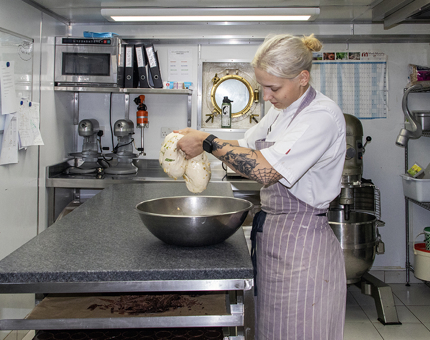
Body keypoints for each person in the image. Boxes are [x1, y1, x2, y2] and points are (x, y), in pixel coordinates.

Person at [176, 33, 347, 340]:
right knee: (269, 329)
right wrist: (200, 140)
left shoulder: (321, 116)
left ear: (303, 78)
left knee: (299, 331)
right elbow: (245, 145)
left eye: (273, 87)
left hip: (303, 246)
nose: (266, 96)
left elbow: (265, 170)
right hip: (274, 239)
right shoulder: (282, 110)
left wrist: (208, 142)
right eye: (262, 86)